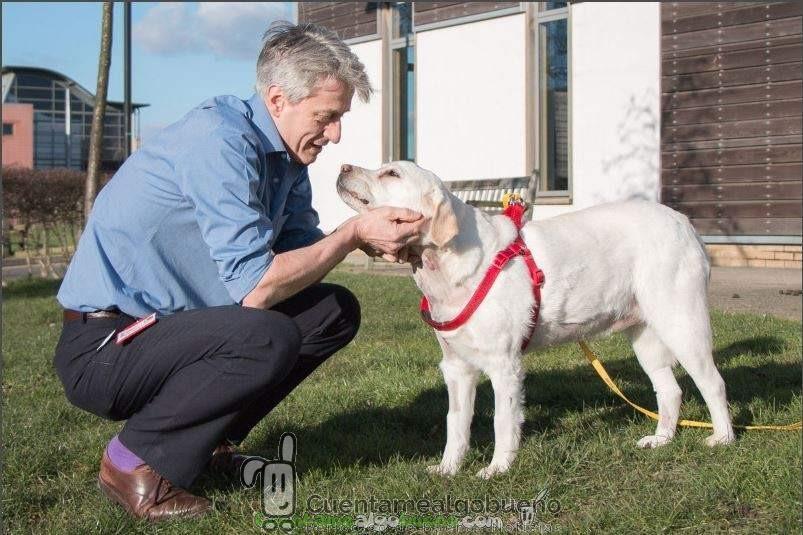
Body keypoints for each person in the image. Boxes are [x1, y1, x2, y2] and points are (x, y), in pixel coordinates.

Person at [53, 22, 424, 521]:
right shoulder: (219, 141)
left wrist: (369, 238)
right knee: (265, 334)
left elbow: (303, 254)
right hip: (105, 346)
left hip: (169, 331)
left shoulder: (286, 160)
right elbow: (257, 287)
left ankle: (205, 443)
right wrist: (352, 234)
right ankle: (132, 462)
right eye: (326, 117)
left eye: (339, 118)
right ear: (277, 100)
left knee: (332, 311)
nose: (335, 135)